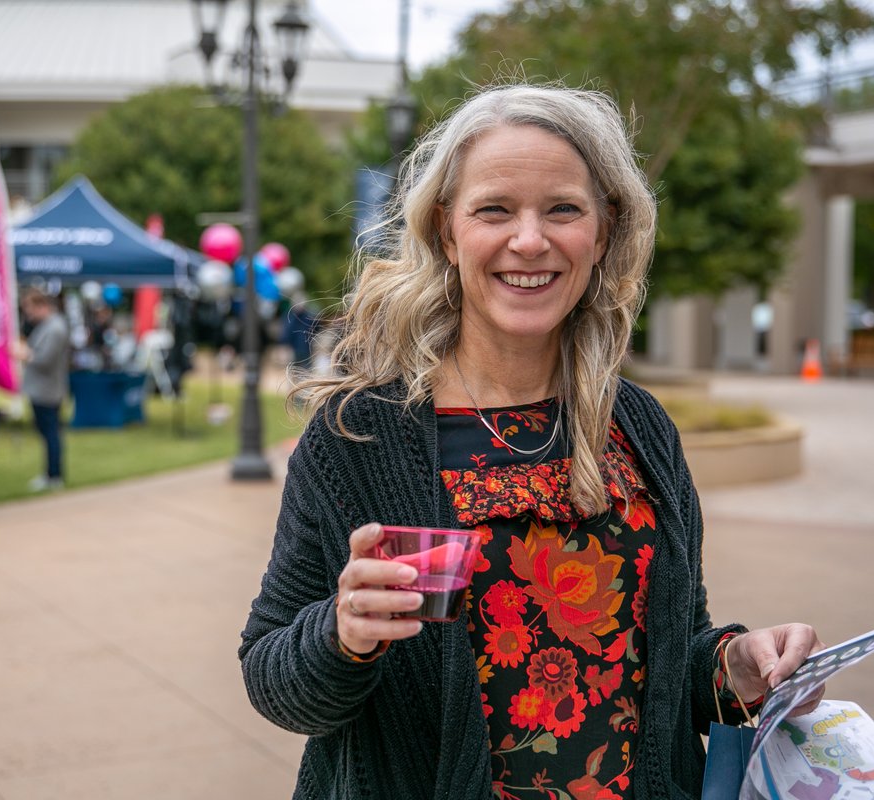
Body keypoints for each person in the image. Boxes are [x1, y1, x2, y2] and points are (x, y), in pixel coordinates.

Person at [240, 85, 825, 800]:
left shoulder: (636, 427)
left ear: (604, 231)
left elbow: (670, 659)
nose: (529, 240)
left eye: (562, 209)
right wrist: (342, 632)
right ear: (446, 232)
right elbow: (273, 681)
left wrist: (735, 666)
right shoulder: (360, 437)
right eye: (494, 209)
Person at [15, 288, 70, 492]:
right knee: (48, 433)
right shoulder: (48, 326)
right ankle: (51, 473)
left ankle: (54, 475)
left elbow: (45, 360)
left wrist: (25, 354)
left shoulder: (55, 328)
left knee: (51, 434)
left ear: (41, 306)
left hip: (48, 390)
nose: (28, 314)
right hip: (42, 389)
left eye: (29, 308)